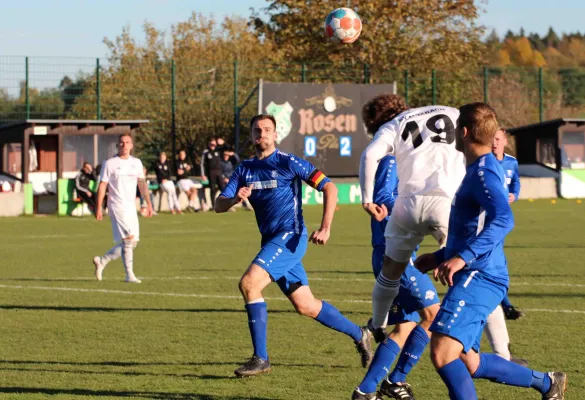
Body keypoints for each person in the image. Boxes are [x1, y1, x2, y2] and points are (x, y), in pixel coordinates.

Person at [415, 102, 566, 400]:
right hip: (480, 273)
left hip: (480, 276)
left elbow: (504, 219)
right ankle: (548, 383)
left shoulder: (484, 173)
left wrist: (461, 258)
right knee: (466, 360)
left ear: (465, 132)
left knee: (443, 353)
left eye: (458, 128)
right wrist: (443, 256)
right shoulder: (480, 170)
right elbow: (475, 226)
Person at [215, 114, 373, 377]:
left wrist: (325, 227)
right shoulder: (244, 169)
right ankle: (360, 334)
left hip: (290, 236)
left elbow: (330, 188)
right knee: (306, 305)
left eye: (267, 130)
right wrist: (234, 199)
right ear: (251, 135)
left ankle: (261, 358)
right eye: (257, 130)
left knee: (249, 284)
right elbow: (219, 204)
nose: (262, 134)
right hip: (271, 240)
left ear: (276, 135)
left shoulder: (288, 162)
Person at [358, 94, 465, 338]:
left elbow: (369, 155)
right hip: (446, 204)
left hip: (408, 206)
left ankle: (377, 323)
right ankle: (495, 349)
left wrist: (366, 199)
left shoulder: (393, 126)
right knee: (465, 271)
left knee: (389, 274)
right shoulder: (455, 112)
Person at [352, 154, 440, 400]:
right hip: (393, 255)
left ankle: (366, 391)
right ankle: (396, 380)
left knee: (406, 325)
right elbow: (382, 197)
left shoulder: (414, 163)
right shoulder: (393, 160)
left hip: (401, 252)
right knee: (434, 315)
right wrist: (420, 214)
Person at [92, 133, 153, 283]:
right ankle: (129, 275)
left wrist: (149, 203)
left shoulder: (137, 163)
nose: (124, 146)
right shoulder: (110, 163)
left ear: (132, 145)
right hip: (116, 206)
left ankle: (102, 260)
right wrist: (99, 206)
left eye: (127, 143)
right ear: (117, 145)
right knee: (128, 239)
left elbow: (142, 184)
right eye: (122, 143)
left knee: (133, 243)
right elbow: (102, 185)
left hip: (130, 207)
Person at [492, 128, 525, 320]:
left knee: (495, 260)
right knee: (494, 262)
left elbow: (516, 183)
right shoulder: (484, 161)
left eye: (497, 139)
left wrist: (515, 194)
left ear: (505, 141)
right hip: (484, 218)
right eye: (492, 139)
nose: (494, 142)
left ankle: (505, 304)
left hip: (501, 219)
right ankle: (506, 305)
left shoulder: (511, 162)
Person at [201, 137, 223, 207]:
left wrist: (222, 143)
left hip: (219, 171)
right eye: (211, 143)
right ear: (209, 143)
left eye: (214, 143)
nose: (213, 145)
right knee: (212, 189)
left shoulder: (218, 150)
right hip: (211, 172)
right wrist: (203, 174)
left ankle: (226, 204)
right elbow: (202, 164)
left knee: (222, 188)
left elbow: (227, 147)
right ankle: (213, 206)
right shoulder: (206, 152)